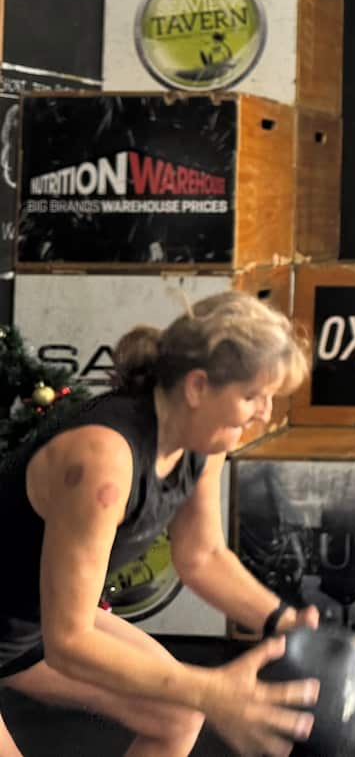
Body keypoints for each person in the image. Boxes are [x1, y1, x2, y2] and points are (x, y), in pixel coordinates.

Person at [0, 291, 323, 757]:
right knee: (189, 697)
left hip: (28, 625)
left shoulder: (203, 442)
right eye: (252, 395)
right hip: (49, 628)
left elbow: (202, 556)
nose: (264, 413)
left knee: (175, 712)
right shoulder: (103, 461)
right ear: (197, 388)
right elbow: (69, 640)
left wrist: (283, 621)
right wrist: (209, 688)